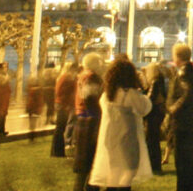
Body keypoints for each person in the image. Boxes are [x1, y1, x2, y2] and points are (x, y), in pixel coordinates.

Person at [89, 55, 153, 190]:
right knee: (130, 170)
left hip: (111, 136)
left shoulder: (107, 95)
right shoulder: (130, 93)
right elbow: (144, 109)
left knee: (115, 169)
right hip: (127, 136)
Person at [165, 43, 193, 191]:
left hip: (182, 122)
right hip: (192, 120)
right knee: (187, 160)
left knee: (181, 161)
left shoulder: (183, 72)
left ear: (178, 56)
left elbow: (187, 94)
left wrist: (173, 108)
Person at [72, 52, 106, 191]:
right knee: (91, 161)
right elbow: (90, 97)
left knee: (84, 163)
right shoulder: (92, 77)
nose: (102, 65)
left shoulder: (83, 76)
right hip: (91, 120)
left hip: (83, 118)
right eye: (100, 62)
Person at [143, 62, 168, 175]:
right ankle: (155, 166)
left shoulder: (155, 81)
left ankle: (154, 166)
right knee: (153, 139)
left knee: (151, 140)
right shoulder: (161, 80)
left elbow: (150, 97)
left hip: (153, 113)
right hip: (159, 112)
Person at [52, 62, 78, 158]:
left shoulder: (66, 77)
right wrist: (65, 104)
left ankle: (57, 151)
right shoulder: (66, 78)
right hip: (63, 105)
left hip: (63, 105)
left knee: (60, 128)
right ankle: (58, 152)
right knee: (60, 128)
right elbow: (60, 92)